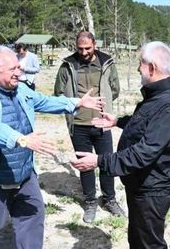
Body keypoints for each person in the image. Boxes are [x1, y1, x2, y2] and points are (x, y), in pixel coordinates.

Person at [0, 46, 104, 249]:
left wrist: (77, 102)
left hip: (25, 172)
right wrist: (22, 140)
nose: (18, 73)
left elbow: (44, 101)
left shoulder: (19, 89)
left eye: (19, 67)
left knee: (33, 216)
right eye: (12, 69)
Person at [72, 41, 170, 249]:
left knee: (149, 245)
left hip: (151, 190)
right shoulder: (158, 96)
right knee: (137, 240)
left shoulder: (166, 104)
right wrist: (118, 122)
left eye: (140, 63)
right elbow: (145, 124)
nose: (137, 68)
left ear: (152, 68)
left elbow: (144, 153)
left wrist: (99, 160)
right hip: (140, 184)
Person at [54, 31, 123, 223]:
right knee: (85, 165)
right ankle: (90, 201)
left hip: (102, 123)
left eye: (88, 48)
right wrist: (76, 105)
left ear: (95, 45)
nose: (84, 52)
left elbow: (115, 89)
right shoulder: (68, 65)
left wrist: (104, 106)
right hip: (78, 124)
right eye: (80, 48)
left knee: (107, 163)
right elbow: (58, 92)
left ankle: (109, 199)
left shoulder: (106, 63)